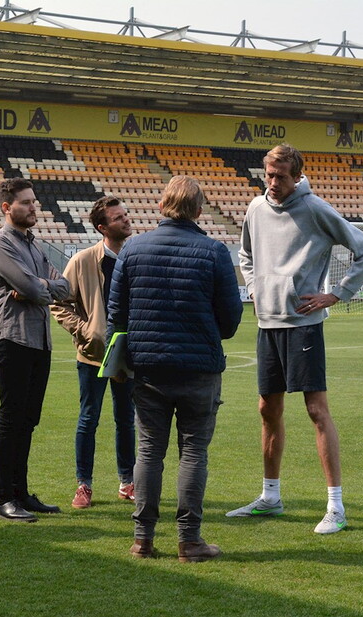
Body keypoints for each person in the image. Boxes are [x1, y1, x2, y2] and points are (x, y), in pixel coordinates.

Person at [228, 143, 363, 534]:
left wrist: (337, 294)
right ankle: (270, 497)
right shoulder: (255, 208)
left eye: (281, 176)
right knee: (267, 409)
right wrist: (255, 287)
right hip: (268, 324)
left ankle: (336, 507)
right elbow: (245, 255)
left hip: (304, 325)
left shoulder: (315, 208)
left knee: (316, 411)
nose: (273, 183)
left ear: (297, 177)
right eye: (269, 175)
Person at [107, 175, 243, 562]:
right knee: (193, 452)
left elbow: (116, 314)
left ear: (162, 206)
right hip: (199, 368)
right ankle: (189, 540)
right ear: (198, 210)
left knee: (149, 452)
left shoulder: (133, 249)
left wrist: (123, 359)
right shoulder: (214, 252)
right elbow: (231, 320)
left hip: (148, 368)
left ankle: (143, 539)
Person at [0, 177, 71, 522]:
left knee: (28, 421)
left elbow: (63, 287)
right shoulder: (0, 244)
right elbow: (34, 290)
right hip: (13, 339)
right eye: (26, 202)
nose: (34, 207)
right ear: (7, 207)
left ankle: (20, 493)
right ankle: (3, 497)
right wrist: (39, 288)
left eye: (34, 201)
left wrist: (40, 286)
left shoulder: (34, 245)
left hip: (39, 340)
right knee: (11, 418)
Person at [51, 196, 136, 510]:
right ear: (102, 227)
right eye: (118, 218)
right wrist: (86, 332)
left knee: (126, 420)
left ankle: (128, 482)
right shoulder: (83, 261)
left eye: (125, 215)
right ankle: (83, 484)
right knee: (89, 419)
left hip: (128, 352)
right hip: (93, 353)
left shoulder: (136, 256)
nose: (126, 220)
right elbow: (59, 304)